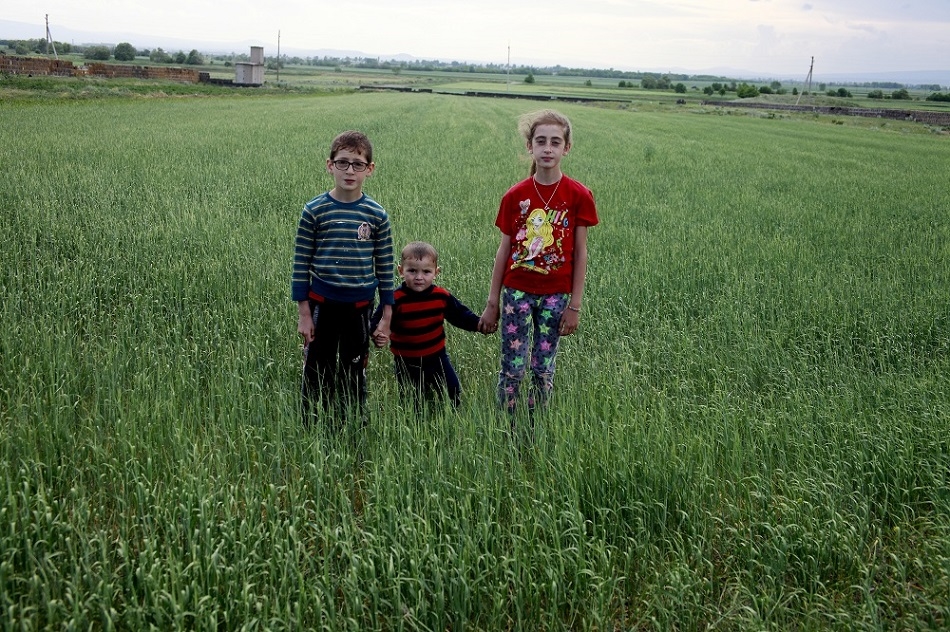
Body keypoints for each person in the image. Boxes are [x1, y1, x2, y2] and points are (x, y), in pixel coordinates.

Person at [478, 109, 599, 417]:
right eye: (541, 141)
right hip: (516, 293)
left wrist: (575, 305)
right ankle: (506, 425)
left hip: (556, 296)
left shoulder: (579, 196)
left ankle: (537, 425)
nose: (548, 148)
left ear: (566, 148)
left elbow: (581, 253)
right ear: (529, 146)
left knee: (543, 367)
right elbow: (504, 250)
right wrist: (493, 301)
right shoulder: (514, 196)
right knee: (512, 366)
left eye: (555, 142)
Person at [291, 130, 395, 428]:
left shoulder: (377, 215)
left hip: (359, 307)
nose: (350, 170)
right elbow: (301, 264)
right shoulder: (314, 211)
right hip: (322, 304)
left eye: (358, 164)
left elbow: (385, 268)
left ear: (369, 169)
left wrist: (386, 316)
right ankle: (311, 423)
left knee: (354, 366)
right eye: (343, 162)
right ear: (330, 165)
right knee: (317, 367)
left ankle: (353, 422)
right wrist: (303, 315)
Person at [372, 241, 484, 408]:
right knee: (412, 399)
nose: (419, 277)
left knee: (452, 389)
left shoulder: (441, 296)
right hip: (406, 362)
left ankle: (453, 416)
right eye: (412, 271)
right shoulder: (395, 298)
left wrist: (479, 324)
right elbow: (376, 321)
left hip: (437, 357)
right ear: (401, 271)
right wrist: (376, 335)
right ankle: (416, 422)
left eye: (426, 271)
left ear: (436, 272)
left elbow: (460, 315)